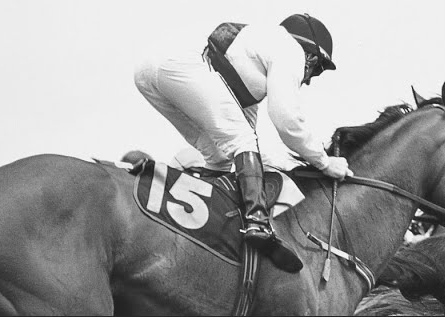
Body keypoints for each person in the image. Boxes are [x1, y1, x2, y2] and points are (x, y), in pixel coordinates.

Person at [134, 13, 353, 274]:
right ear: (311, 57)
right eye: (315, 72)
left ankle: (196, 219)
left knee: (219, 156)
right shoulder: (290, 50)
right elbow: (286, 120)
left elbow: (250, 151)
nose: (307, 81)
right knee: (240, 141)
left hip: (150, 73)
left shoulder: (251, 68)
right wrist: (325, 162)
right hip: (177, 65)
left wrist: (293, 164)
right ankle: (257, 223)